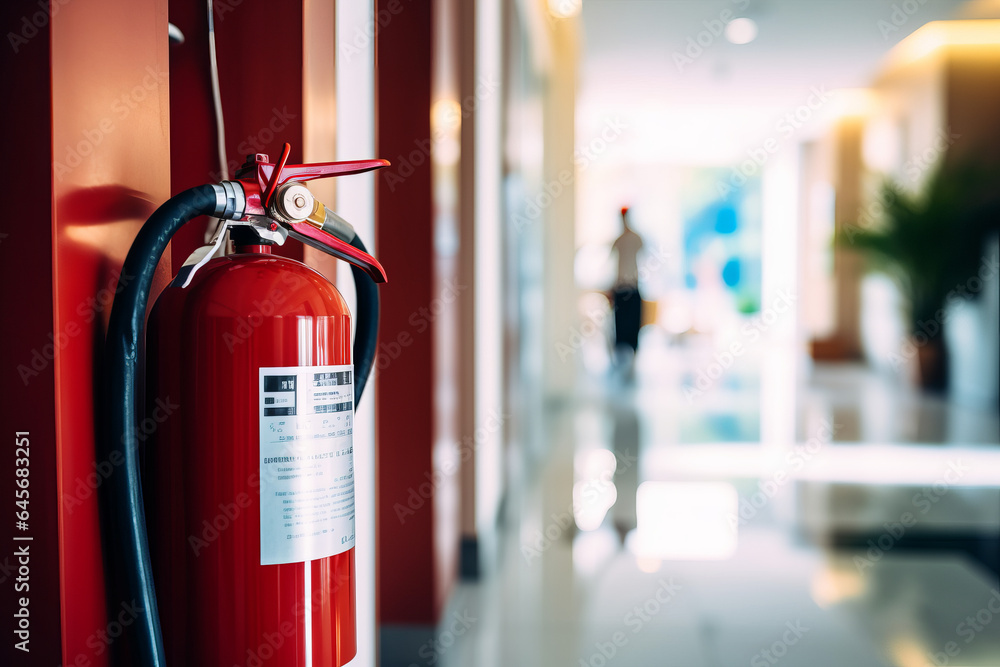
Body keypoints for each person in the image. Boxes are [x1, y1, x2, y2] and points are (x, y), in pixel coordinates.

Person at [611, 206, 644, 363]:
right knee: (621, 325)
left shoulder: (636, 238)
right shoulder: (618, 240)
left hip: (632, 287)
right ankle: (621, 358)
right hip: (621, 288)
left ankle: (632, 357)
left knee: (632, 324)